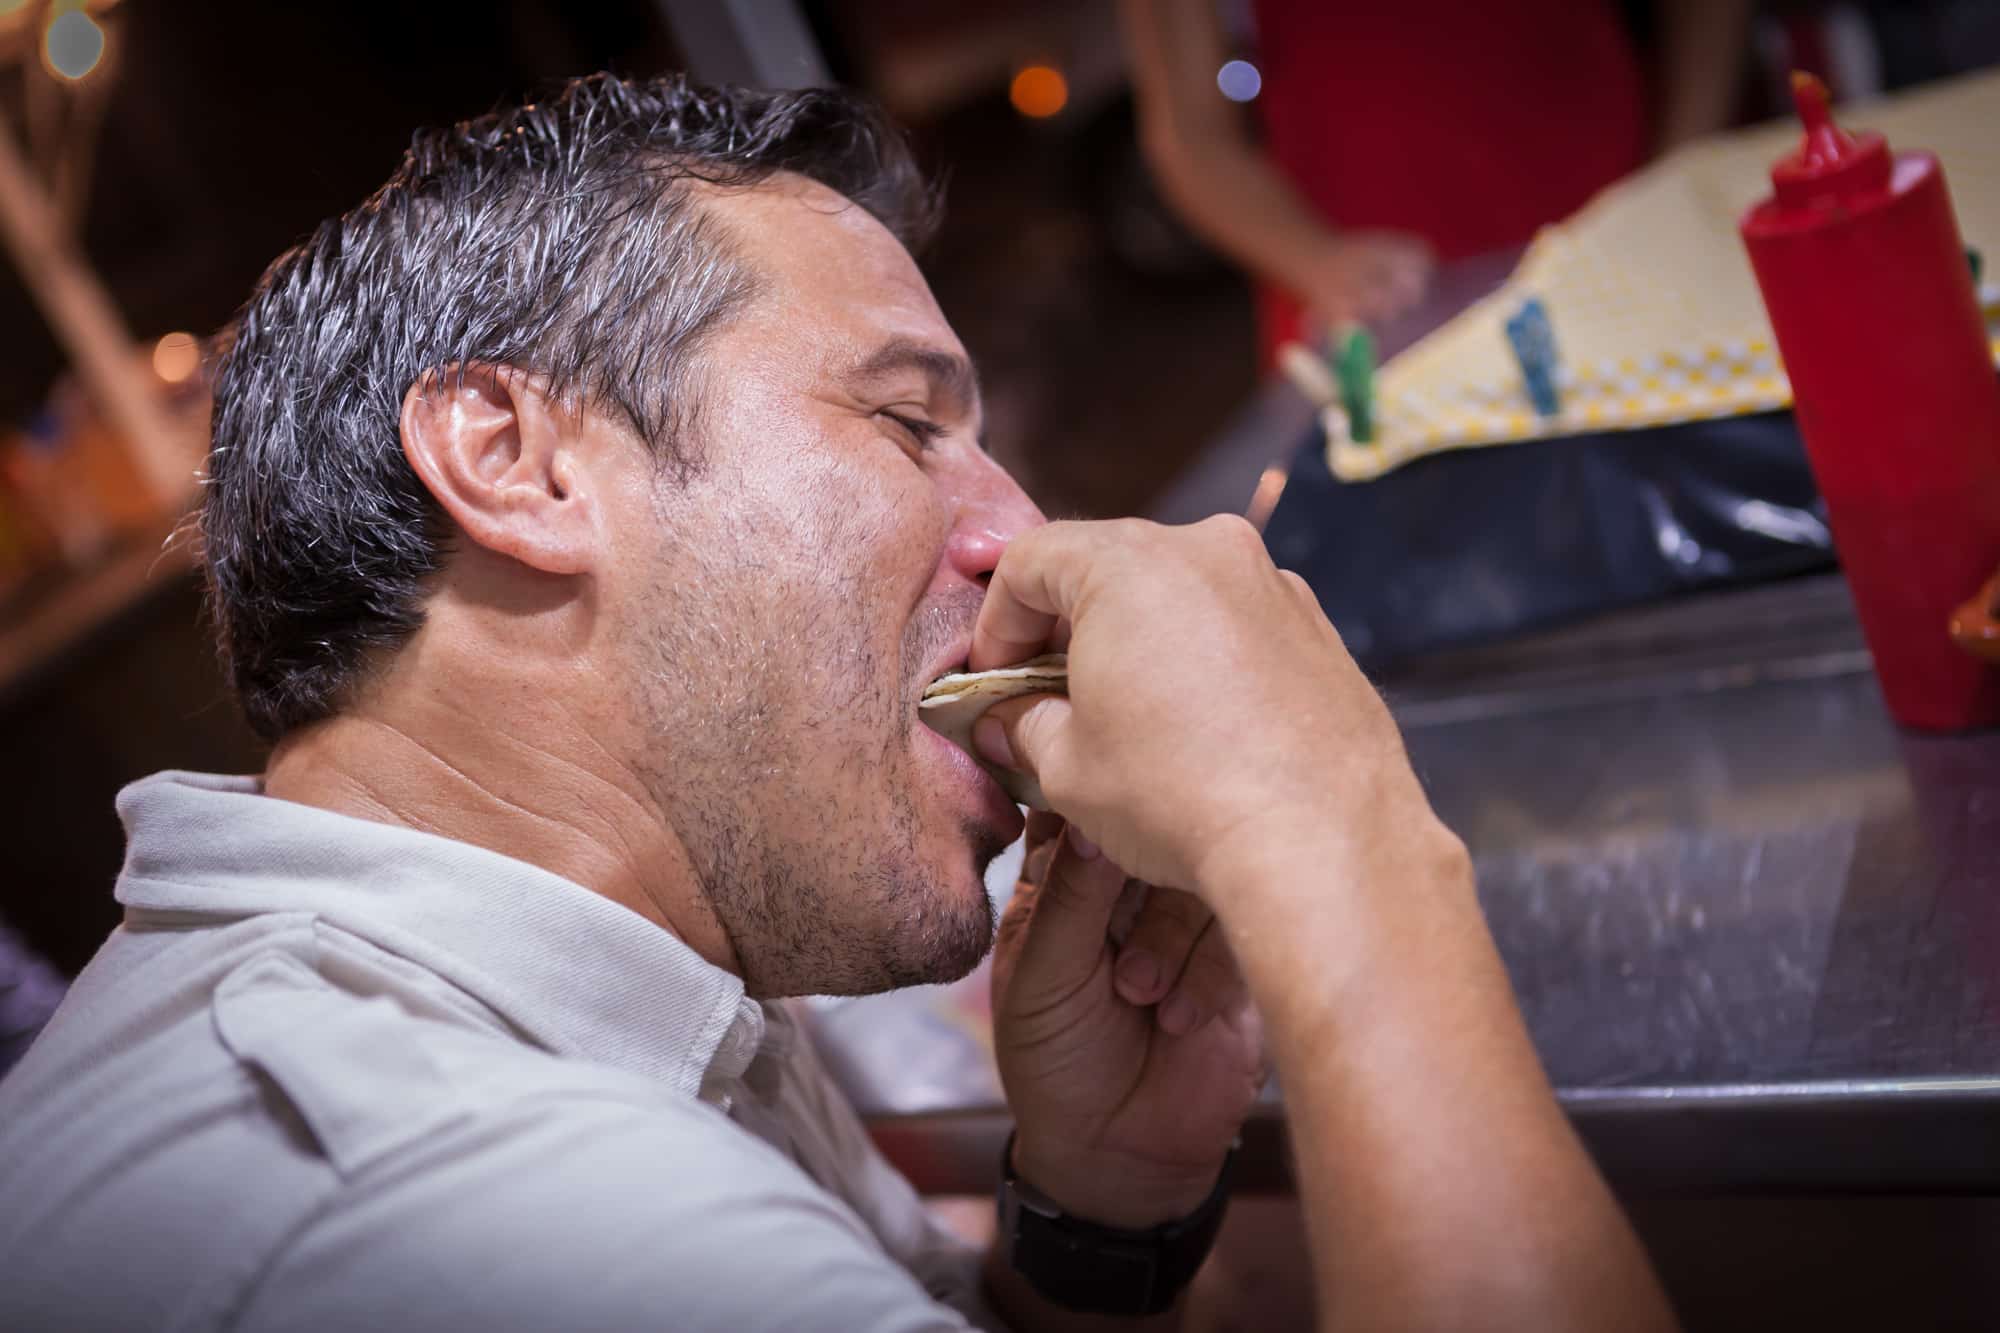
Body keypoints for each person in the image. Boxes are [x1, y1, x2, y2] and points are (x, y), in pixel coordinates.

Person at [0, 74, 1674, 1331]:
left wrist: (1096, 1208)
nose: (1017, 530)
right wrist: (1336, 832)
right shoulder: (474, 1207)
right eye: (903, 420)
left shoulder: (585, 951)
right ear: (515, 463)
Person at [1122, 0, 1753, 359]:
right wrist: (1315, 261)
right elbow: (1189, 136)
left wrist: (1675, 168)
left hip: (1613, 229)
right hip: (1365, 301)